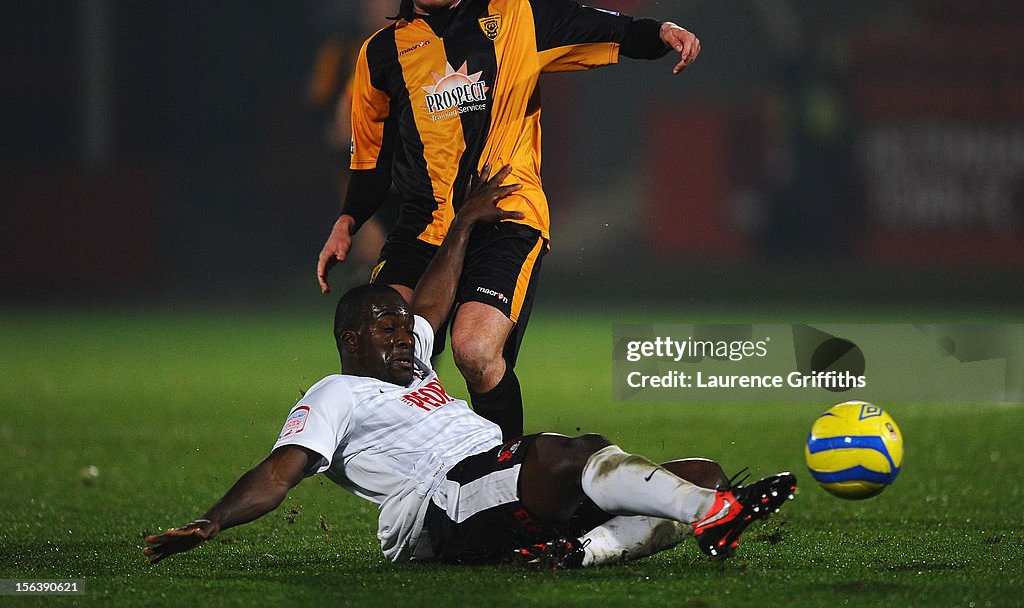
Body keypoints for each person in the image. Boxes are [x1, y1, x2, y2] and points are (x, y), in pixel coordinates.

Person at [145, 165, 796, 568]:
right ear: (349, 339)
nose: (406, 336)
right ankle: (714, 511)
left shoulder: (412, 362)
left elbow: (432, 296)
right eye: (386, 327)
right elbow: (277, 472)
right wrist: (213, 519)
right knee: (572, 453)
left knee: (694, 468)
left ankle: (590, 550)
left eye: (405, 328)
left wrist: (462, 224)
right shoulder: (338, 391)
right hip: (438, 502)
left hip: (491, 479)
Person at [316, 0, 703, 441]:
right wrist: (348, 220)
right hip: (423, 229)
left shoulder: (518, 12)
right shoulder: (380, 53)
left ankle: (509, 480)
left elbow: (601, 27)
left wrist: (660, 32)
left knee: (474, 350)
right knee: (381, 352)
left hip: (505, 217)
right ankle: (420, 480)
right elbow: (371, 156)